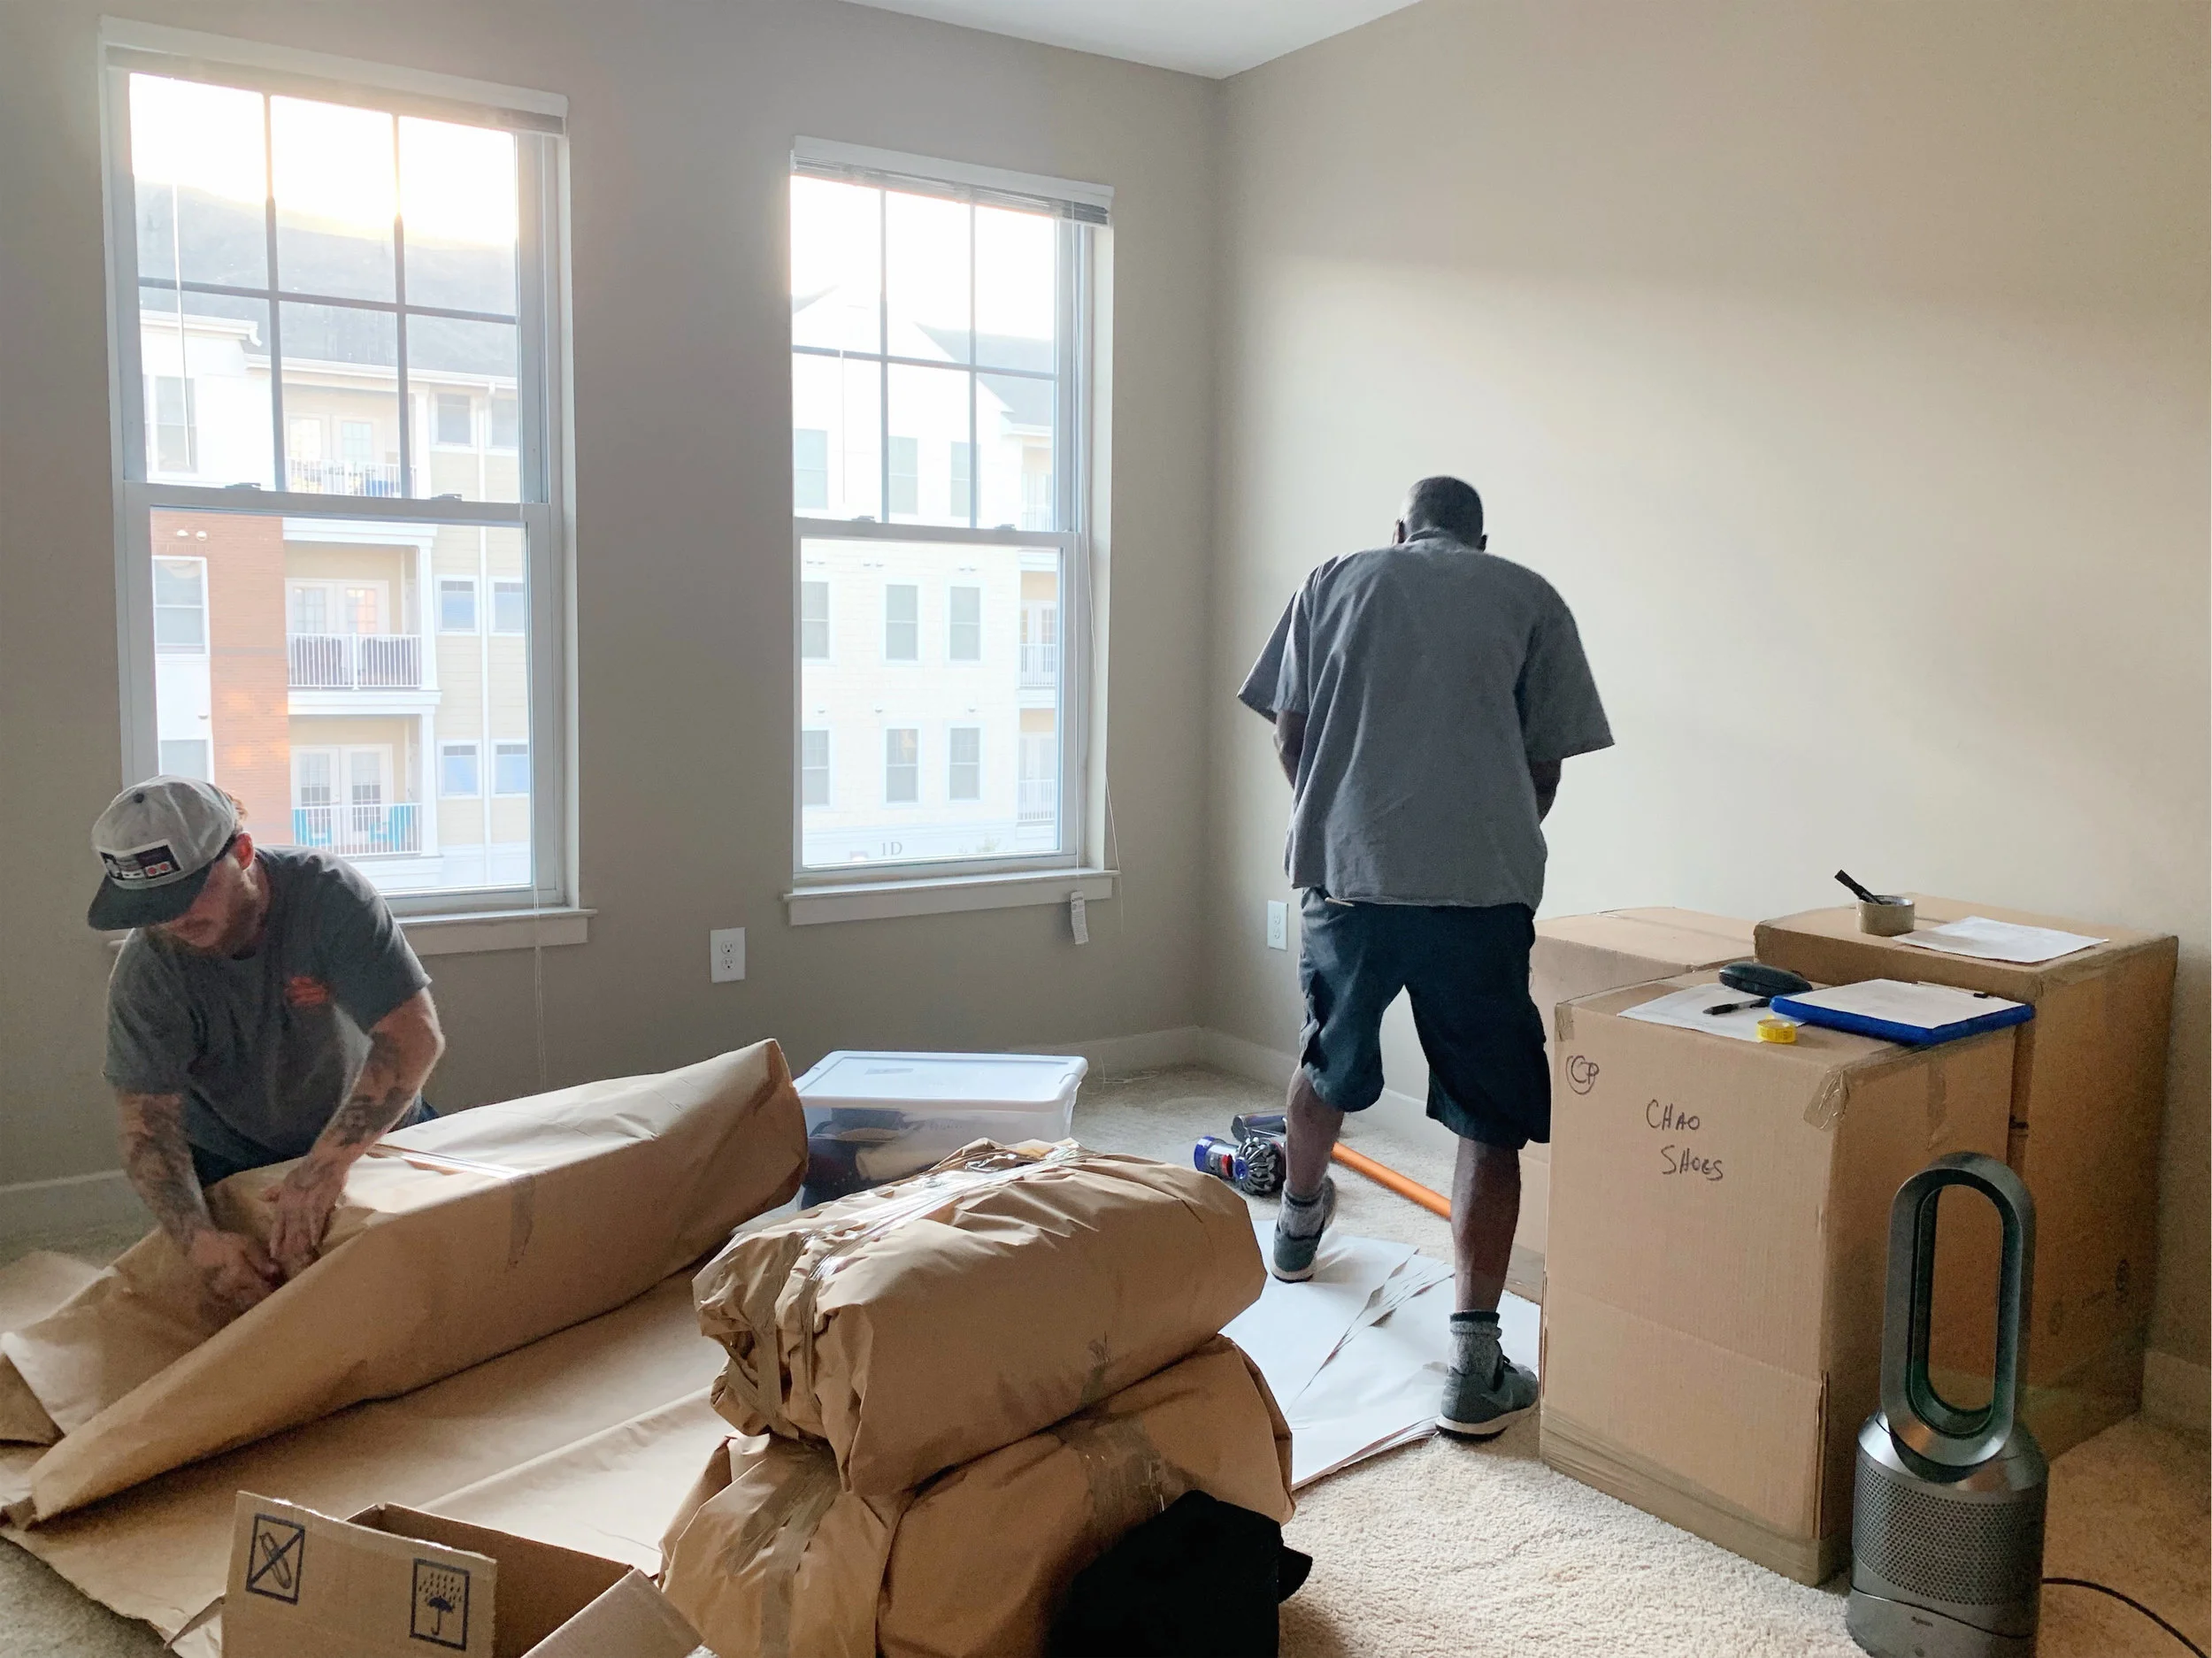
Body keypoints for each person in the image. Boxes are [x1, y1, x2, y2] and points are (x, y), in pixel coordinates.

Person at [1238, 475, 1612, 1439]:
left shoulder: (1333, 580)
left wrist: (1341, 819)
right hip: (1479, 898)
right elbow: (1544, 769)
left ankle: (1296, 1231)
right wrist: (1482, 836)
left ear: (1401, 530)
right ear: (1480, 540)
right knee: (1488, 1119)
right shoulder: (1528, 595)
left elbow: (1289, 732)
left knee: (1325, 1058)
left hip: (1349, 881)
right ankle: (1474, 1369)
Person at [88, 776, 446, 1318]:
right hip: (233, 1156)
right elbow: (147, 1127)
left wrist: (323, 1168)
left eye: (188, 893)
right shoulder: (149, 970)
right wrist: (200, 1243)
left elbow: (413, 1035)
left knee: (433, 1288)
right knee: (264, 1316)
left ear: (242, 853)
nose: (173, 920)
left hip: (379, 1131)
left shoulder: (327, 895)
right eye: (151, 905)